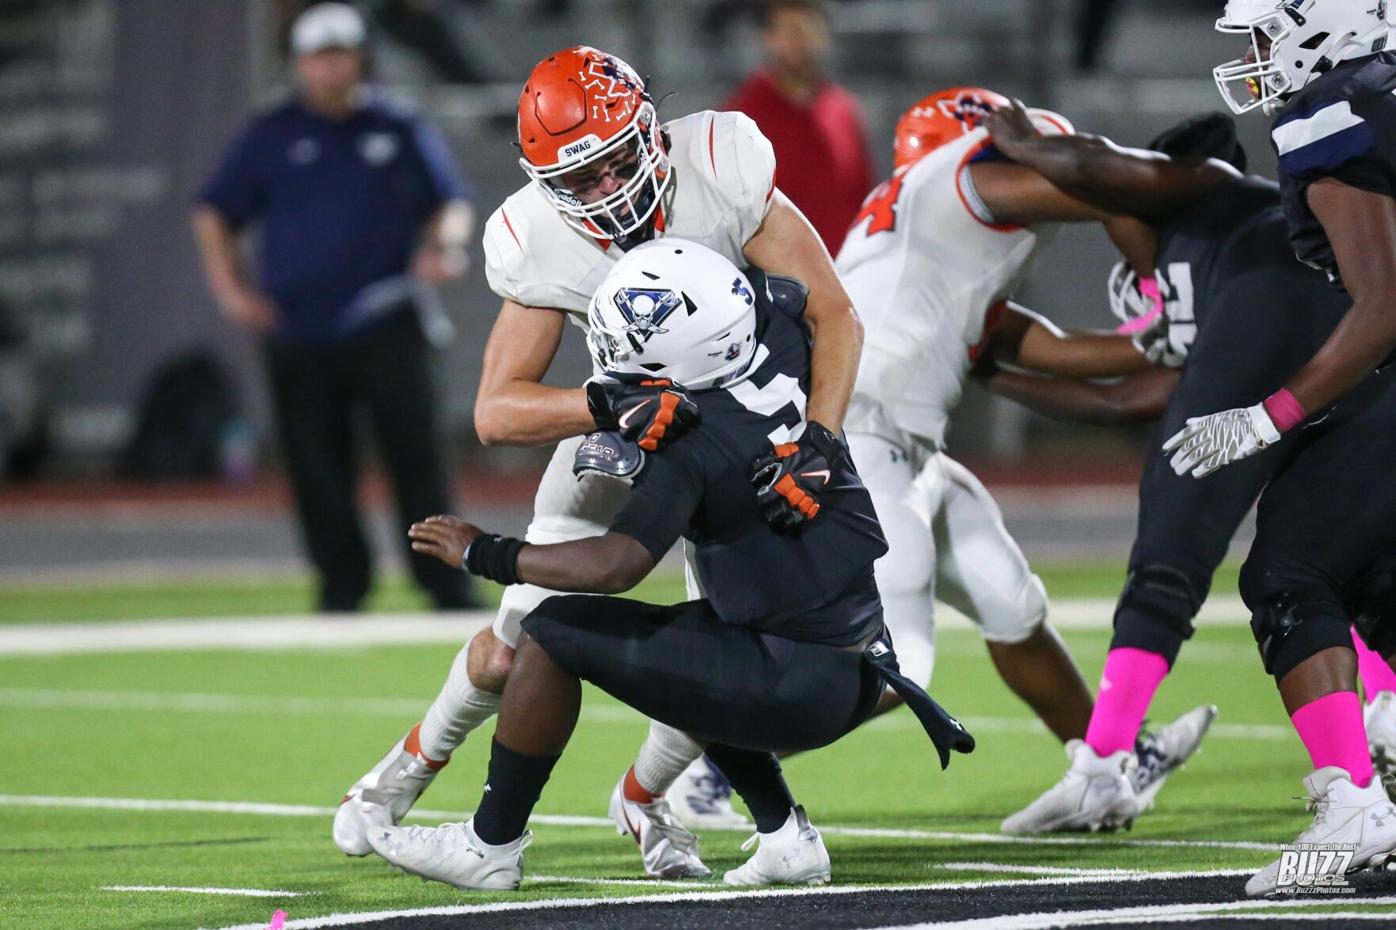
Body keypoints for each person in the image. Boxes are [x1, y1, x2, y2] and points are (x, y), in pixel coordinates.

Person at [333, 45, 867, 877]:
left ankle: (656, 802)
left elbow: (835, 314)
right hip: (629, 431)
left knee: (737, 646)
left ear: (651, 131)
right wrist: (603, 403)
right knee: (520, 639)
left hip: (748, 440)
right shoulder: (535, 238)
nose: (607, 191)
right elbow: (496, 409)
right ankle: (400, 776)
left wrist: (821, 442)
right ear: (542, 183)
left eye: (617, 161)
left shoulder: (720, 162)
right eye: (577, 181)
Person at [367, 240, 973, 890]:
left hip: (796, 683)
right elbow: (804, 302)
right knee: (700, 643)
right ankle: (785, 836)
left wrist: (484, 552)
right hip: (860, 665)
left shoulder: (690, 438)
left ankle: (489, 845)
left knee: (549, 633)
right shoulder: (787, 358)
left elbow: (614, 565)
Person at [992, 0, 1396, 894]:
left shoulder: (1326, 117)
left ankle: (1352, 810)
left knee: (1286, 573)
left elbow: (1380, 304)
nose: (1257, 54)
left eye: (1268, 32)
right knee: (1369, 576)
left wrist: (1268, 416)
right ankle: (1369, 775)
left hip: (1365, 365)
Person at [832, 87, 1214, 825]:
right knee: (903, 663)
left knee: (1010, 600)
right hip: (866, 437)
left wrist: (1156, 342)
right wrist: (1169, 294)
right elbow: (1104, 187)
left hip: (901, 444)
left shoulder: (923, 248)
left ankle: (1112, 764)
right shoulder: (965, 179)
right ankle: (718, 762)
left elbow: (1034, 347)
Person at [192, 2, 475, 612]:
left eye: (341, 52)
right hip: (299, 329)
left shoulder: (396, 126)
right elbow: (215, 209)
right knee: (317, 467)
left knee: (416, 458)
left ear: (360, 56)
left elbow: (449, 200)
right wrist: (231, 290)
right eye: (319, 55)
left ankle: (443, 581)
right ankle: (341, 585)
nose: (331, 66)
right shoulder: (271, 133)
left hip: (387, 317)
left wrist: (443, 243)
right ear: (298, 63)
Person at [722, 0, 874, 253]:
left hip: (844, 275)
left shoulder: (844, 111)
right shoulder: (740, 118)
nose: (799, 41)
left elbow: (861, 197)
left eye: (807, 28)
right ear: (767, 37)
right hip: (772, 283)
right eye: (789, 30)